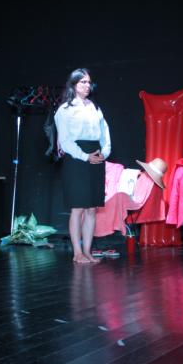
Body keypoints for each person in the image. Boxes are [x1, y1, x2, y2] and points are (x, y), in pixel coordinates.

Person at [54, 68, 111, 264]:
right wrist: (85, 156)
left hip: (95, 155)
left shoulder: (94, 107)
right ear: (74, 85)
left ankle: (87, 251)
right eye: (83, 82)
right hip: (76, 158)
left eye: (89, 82)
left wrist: (104, 152)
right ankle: (77, 253)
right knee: (78, 207)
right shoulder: (65, 110)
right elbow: (65, 141)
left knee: (92, 208)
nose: (87, 85)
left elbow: (105, 132)